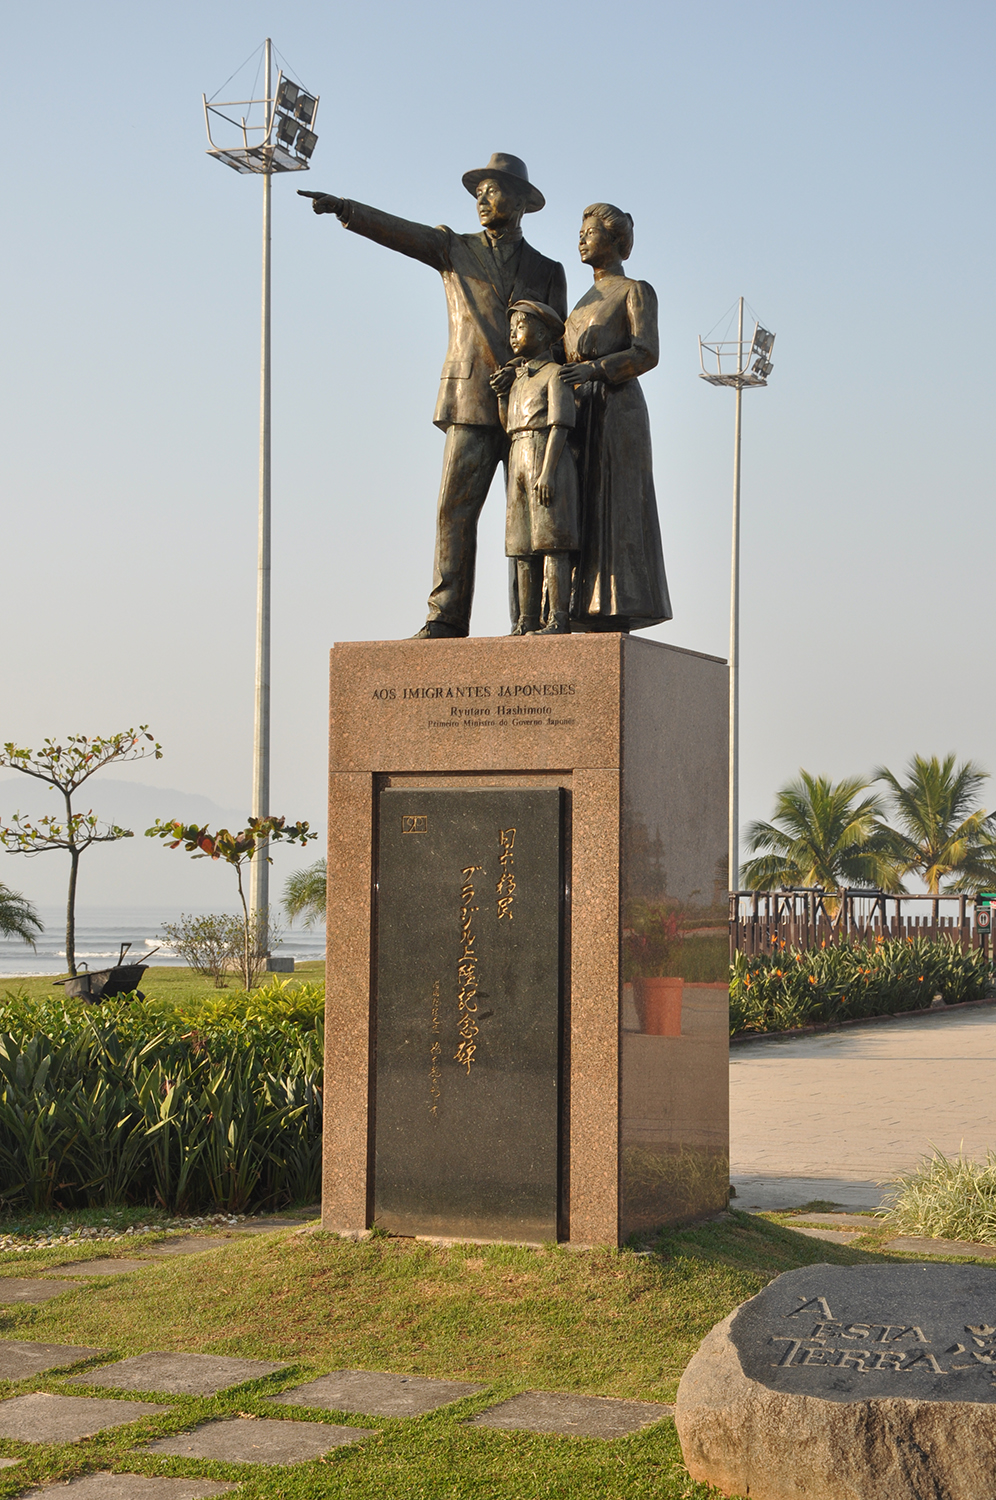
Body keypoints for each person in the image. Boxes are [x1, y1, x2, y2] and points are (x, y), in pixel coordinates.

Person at [301, 155, 567, 638]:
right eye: (478, 193)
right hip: (469, 400)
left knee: (529, 518)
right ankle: (446, 616)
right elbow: (402, 233)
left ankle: (531, 621)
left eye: (492, 191)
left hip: (529, 407)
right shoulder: (452, 248)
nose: (481, 200)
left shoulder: (549, 270)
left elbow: (559, 343)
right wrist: (347, 209)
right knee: (454, 510)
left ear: (521, 202)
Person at [559, 204, 672, 632]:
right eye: (580, 232)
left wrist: (596, 369)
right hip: (578, 410)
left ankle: (618, 602)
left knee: (617, 502)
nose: (581, 238)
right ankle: (575, 604)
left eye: (590, 232)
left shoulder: (634, 291)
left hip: (617, 409)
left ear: (616, 240)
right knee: (579, 504)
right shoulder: (581, 303)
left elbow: (646, 352)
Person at [493, 302, 579, 636]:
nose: (513, 334)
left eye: (521, 326)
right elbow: (508, 425)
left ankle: (558, 617)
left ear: (543, 333)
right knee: (521, 545)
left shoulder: (554, 374)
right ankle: (525, 619)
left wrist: (547, 471)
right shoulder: (517, 380)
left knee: (552, 540)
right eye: (511, 328)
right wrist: (502, 397)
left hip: (545, 454)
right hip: (518, 453)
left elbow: (561, 423)